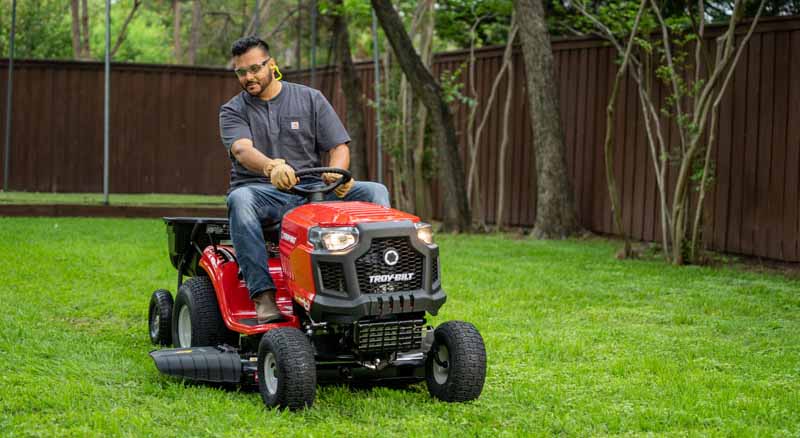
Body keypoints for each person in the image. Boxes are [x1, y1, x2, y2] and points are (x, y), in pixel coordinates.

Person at [218, 36, 389, 324]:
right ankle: (263, 296)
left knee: (374, 192)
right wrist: (271, 167)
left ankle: (378, 284)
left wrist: (336, 172)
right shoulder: (233, 110)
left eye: (255, 69)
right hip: (264, 194)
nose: (249, 77)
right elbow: (241, 149)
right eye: (241, 72)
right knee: (240, 199)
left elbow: (339, 147)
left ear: (272, 64)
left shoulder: (310, 98)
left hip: (314, 192)